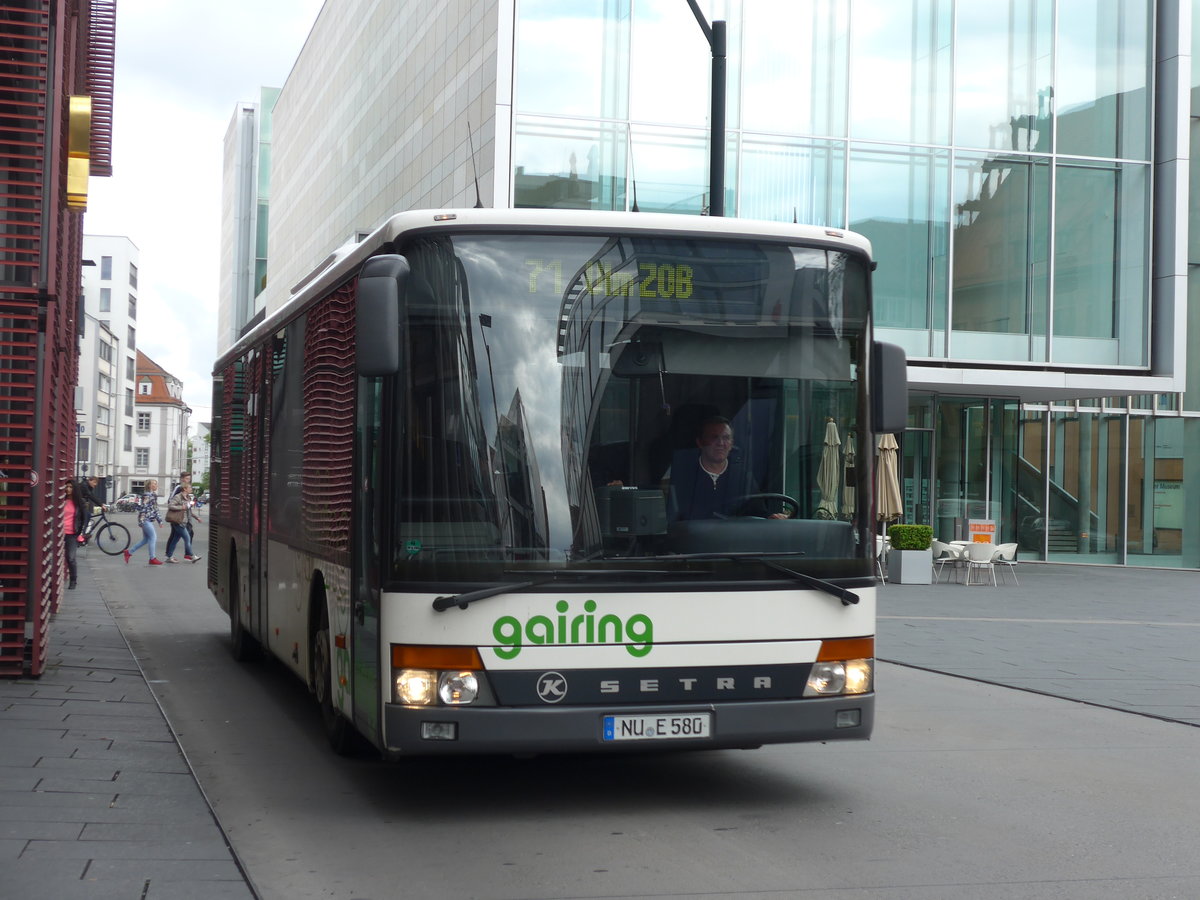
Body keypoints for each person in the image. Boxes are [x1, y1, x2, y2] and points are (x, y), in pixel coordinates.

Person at [666, 416, 786, 521]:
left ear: (731, 443)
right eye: (714, 437)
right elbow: (672, 519)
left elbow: (759, 516)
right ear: (700, 442)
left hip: (734, 543)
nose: (721, 443)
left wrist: (773, 518)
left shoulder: (743, 478)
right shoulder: (683, 477)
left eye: (726, 438)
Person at [164, 473, 203, 563]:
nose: (188, 480)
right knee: (186, 537)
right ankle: (191, 555)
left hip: (184, 520)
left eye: (189, 478)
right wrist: (181, 507)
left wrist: (196, 517)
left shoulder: (188, 497)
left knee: (175, 538)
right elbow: (170, 503)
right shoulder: (178, 492)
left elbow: (189, 510)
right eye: (186, 478)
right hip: (178, 520)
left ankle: (169, 556)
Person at [124, 479, 164, 565]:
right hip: (145, 519)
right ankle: (152, 558)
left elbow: (155, 509)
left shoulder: (153, 495)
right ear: (149, 486)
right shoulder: (147, 495)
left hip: (148, 519)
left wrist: (159, 520)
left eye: (156, 484)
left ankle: (129, 552)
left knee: (146, 539)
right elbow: (143, 508)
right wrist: (141, 521)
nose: (156, 485)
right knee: (153, 537)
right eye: (154, 484)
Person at [62, 478, 86, 589]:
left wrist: (79, 532)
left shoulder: (79, 502)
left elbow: (83, 518)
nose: (68, 489)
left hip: (71, 533)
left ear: (74, 489)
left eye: (70, 487)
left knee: (70, 558)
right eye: (66, 486)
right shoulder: (61, 500)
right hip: (59, 533)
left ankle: (73, 580)